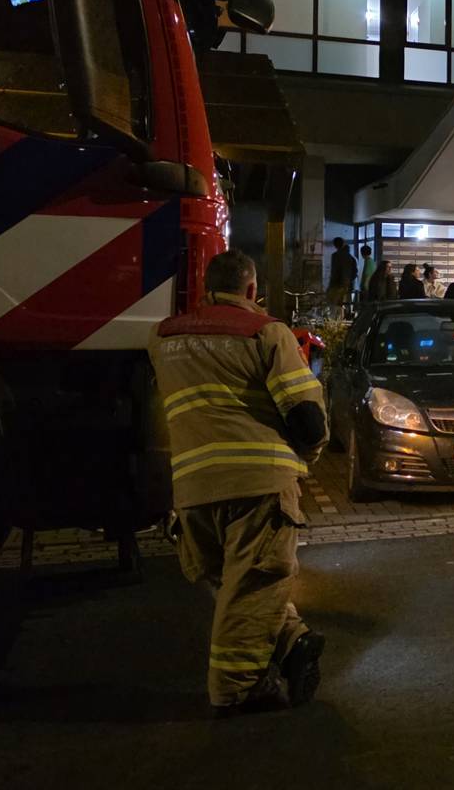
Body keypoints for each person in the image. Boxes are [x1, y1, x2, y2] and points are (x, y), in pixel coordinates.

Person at [147, 250, 327, 716]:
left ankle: (294, 641)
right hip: (258, 483)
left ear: (207, 287)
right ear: (251, 289)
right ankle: (237, 689)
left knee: (228, 581)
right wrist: (306, 458)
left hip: (192, 488)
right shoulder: (265, 333)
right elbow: (306, 418)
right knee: (253, 584)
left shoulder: (163, 337)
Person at [325, 237, 356, 312]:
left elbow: (334, 272)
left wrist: (331, 285)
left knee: (335, 305)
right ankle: (347, 316)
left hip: (337, 285)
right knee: (346, 305)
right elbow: (355, 271)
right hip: (348, 285)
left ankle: (338, 318)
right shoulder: (351, 257)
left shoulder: (335, 256)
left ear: (335, 245)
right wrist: (349, 281)